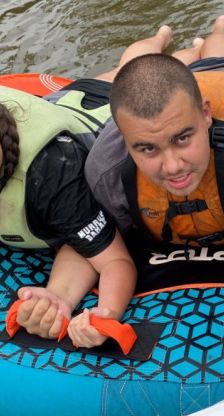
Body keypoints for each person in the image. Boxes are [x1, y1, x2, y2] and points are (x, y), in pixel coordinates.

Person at [0, 26, 179, 346]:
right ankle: (165, 37)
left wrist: (105, 312)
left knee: (153, 69)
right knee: (121, 69)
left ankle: (174, 39)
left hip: (101, 117)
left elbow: (112, 259)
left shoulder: (50, 177)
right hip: (65, 102)